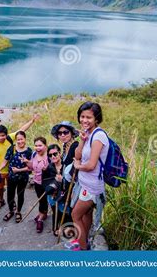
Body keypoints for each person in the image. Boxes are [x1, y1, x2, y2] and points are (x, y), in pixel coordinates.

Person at [70, 102, 108, 250]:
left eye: (89, 117)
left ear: (96, 119)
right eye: (82, 116)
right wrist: (82, 139)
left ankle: (82, 250)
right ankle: (84, 242)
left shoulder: (98, 136)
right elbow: (77, 154)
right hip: (85, 183)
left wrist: (78, 166)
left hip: (91, 187)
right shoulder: (89, 134)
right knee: (85, 215)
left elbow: (91, 164)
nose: (84, 120)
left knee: (75, 215)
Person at [0, 131, 32, 223]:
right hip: (11, 177)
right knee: (10, 195)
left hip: (23, 178)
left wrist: (18, 170)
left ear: (25, 139)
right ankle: (11, 211)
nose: (20, 141)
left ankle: (18, 212)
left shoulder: (29, 151)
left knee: (20, 195)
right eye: (18, 140)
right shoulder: (12, 148)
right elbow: (5, 161)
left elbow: (30, 167)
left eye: (21, 139)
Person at [42, 144, 73, 236]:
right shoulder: (48, 168)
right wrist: (51, 189)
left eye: (55, 154)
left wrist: (62, 180)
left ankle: (65, 227)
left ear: (60, 153)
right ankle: (55, 227)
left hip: (65, 195)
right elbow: (44, 183)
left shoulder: (67, 166)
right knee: (55, 211)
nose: (53, 157)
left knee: (65, 212)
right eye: (50, 155)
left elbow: (72, 182)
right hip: (52, 195)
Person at [23, 137, 48, 233]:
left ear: (45, 146)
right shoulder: (34, 154)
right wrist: (27, 162)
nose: (38, 148)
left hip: (47, 183)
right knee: (41, 199)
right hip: (37, 182)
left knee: (43, 200)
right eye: (36, 145)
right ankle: (44, 214)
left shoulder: (49, 156)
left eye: (40, 145)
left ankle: (40, 218)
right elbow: (32, 167)